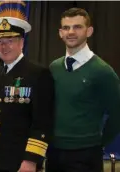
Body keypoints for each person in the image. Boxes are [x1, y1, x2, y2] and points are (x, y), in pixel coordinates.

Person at [46, 8, 120, 172]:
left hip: (86, 154)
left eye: (77, 27)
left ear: (89, 31)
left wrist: (97, 142)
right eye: (66, 28)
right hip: (54, 152)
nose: (71, 32)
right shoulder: (54, 67)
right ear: (60, 33)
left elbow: (117, 114)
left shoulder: (103, 71)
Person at [0, 14, 55, 172]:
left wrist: (31, 160)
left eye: (10, 41)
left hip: (19, 162)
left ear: (21, 43)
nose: (4, 46)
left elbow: (42, 123)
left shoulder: (38, 74)